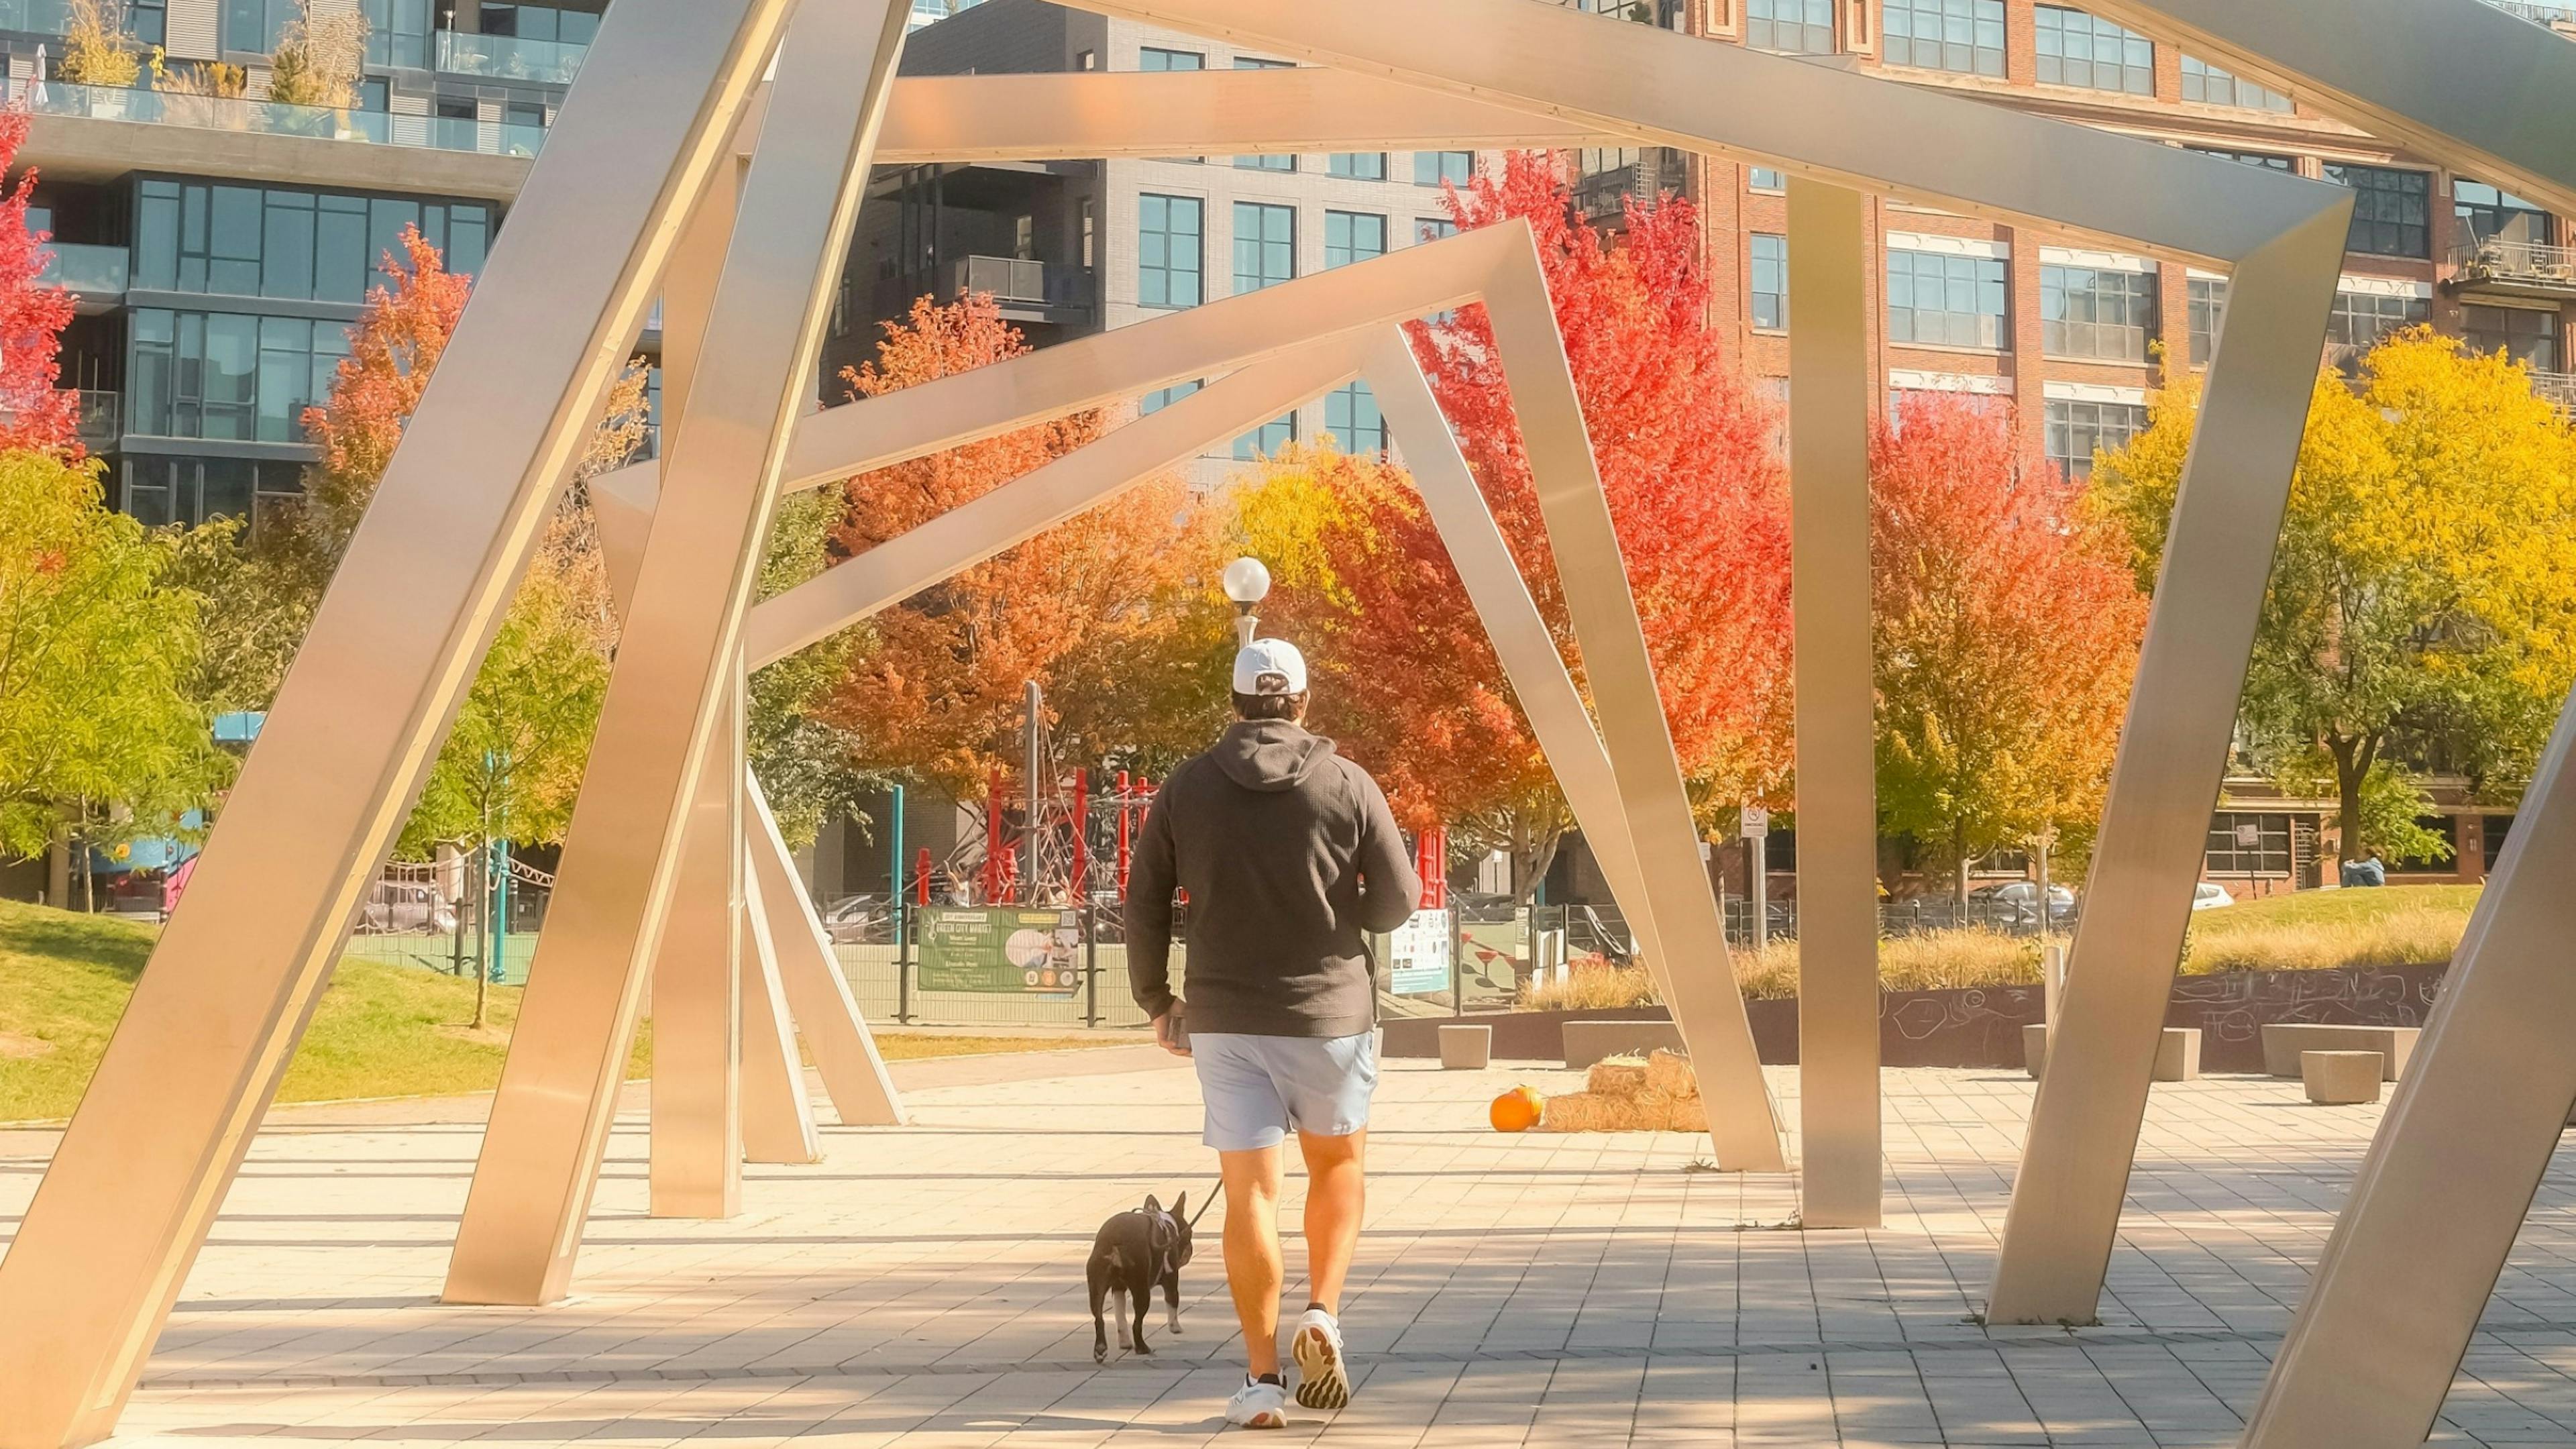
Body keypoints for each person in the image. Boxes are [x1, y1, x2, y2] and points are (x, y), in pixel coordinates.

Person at [1126, 637, 1421, 1430]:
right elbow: (1397, 902)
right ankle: (1322, 1312)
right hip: (1332, 1014)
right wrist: (1339, 913)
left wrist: (1156, 998)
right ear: (1301, 702)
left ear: (1234, 705)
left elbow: (1145, 897)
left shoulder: (1188, 787)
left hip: (1224, 1018)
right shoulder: (1347, 783)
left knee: (1251, 1190)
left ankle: (1261, 1382)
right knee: (1338, 1165)